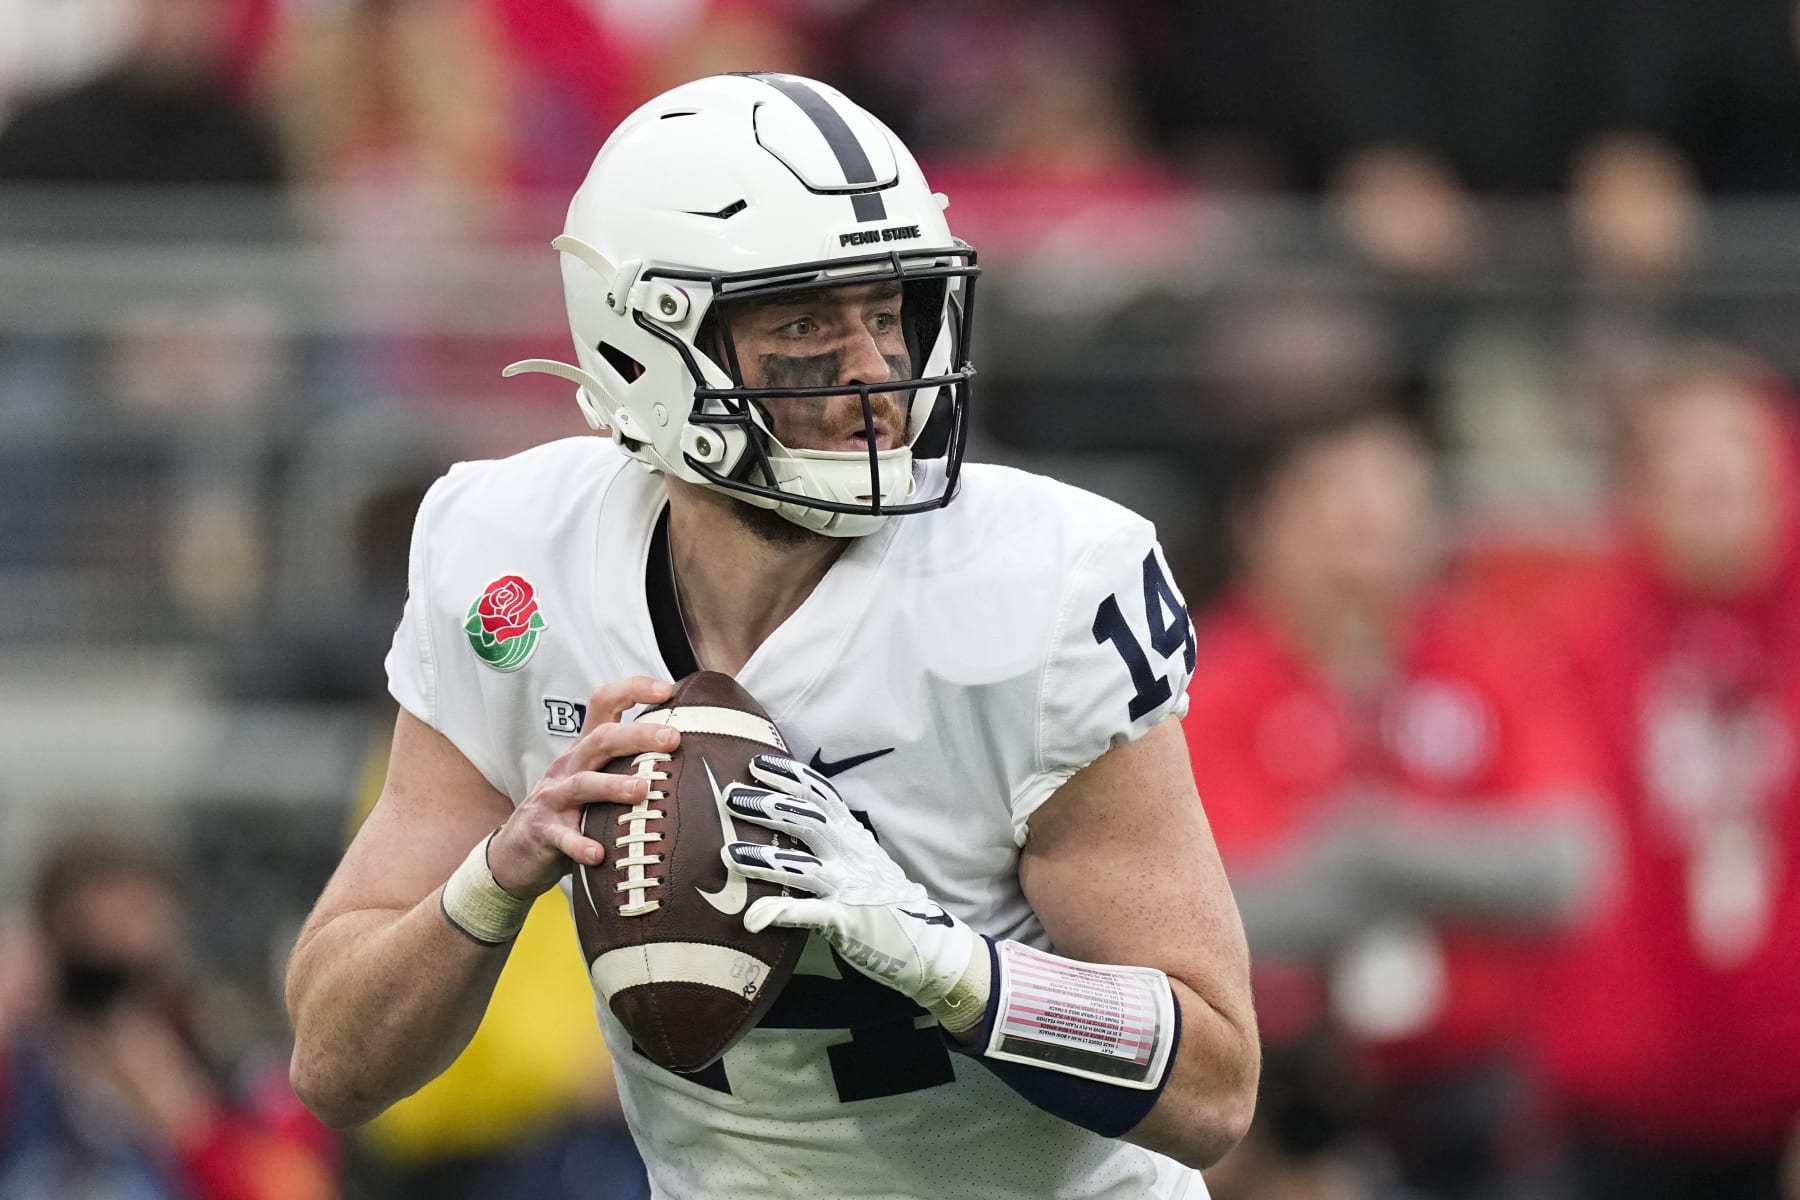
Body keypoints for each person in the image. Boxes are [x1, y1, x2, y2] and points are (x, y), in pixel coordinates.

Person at [284, 72, 1259, 1199]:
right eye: (804, 322)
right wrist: (493, 881)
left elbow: (1216, 1087)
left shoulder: (1042, 585)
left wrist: (949, 966)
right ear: (646, 342)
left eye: (887, 312)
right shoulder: (515, 552)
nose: (873, 375)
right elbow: (334, 1060)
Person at [1181, 406, 1607, 1200]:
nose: (1366, 529)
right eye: (1335, 500)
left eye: (1392, 498)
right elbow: (1215, 907)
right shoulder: (1204, 681)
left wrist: (1364, 851)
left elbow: (1566, 871)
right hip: (1281, 1099)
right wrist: (1452, 874)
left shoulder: (1487, 659)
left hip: (1479, 1091)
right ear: (1263, 522)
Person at [1541, 350, 1800, 1200]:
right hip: (1620, 1089)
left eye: (1738, 446)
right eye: (1683, 455)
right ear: (1640, 491)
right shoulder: (1575, 642)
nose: (1714, 472)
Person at [0, 838, 337, 1200]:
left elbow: (300, 1191)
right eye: (88, 962)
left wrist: (185, 1114)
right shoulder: (24, 1069)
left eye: (131, 966)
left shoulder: (246, 1071)